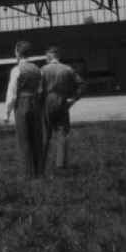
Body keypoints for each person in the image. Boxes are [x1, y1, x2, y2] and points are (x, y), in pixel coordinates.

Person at [40, 46, 84, 174]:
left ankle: (41, 164)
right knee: (62, 133)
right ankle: (61, 165)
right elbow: (81, 84)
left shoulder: (43, 70)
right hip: (62, 101)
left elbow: (38, 89)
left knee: (45, 135)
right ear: (58, 56)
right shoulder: (68, 69)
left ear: (49, 57)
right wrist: (74, 99)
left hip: (47, 102)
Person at [4, 41, 44, 179]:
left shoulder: (16, 70)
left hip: (22, 104)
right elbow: (40, 89)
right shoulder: (37, 69)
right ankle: (39, 171)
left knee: (24, 139)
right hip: (35, 103)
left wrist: (7, 112)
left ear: (18, 53)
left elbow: (12, 93)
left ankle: (27, 173)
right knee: (36, 138)